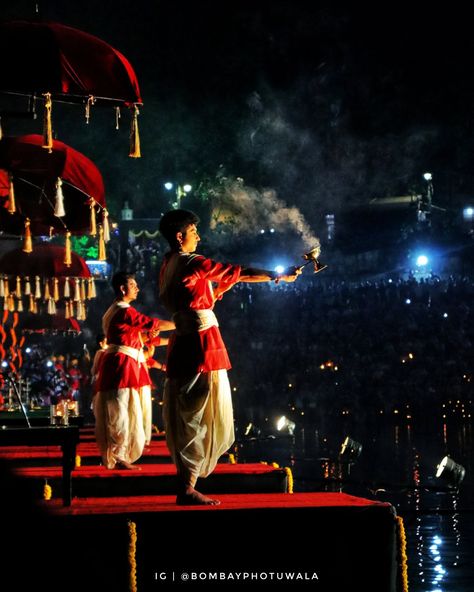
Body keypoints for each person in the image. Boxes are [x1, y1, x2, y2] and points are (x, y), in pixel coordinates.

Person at [158, 209, 301, 505]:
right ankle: (187, 486)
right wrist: (278, 275)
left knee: (190, 412)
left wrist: (220, 288)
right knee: (198, 413)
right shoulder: (192, 262)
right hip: (200, 343)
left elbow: (197, 299)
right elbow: (241, 271)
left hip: (186, 341)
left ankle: (188, 482)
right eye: (194, 231)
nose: (199, 236)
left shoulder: (168, 264)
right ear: (180, 236)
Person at [93, 271, 174, 470]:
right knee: (120, 409)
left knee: (125, 408)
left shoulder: (116, 310)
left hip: (124, 363)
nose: (137, 288)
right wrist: (180, 323)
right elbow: (151, 323)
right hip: (121, 364)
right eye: (133, 285)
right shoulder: (124, 311)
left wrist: (149, 336)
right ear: (122, 288)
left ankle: (121, 455)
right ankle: (119, 456)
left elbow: (133, 336)